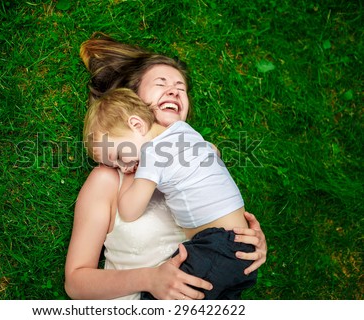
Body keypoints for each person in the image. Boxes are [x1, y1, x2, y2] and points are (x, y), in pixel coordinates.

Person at [64, 33, 267, 300]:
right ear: (132, 100)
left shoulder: (201, 159)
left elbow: (223, 214)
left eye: (180, 88)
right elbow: (76, 282)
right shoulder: (109, 178)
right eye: (161, 84)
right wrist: (150, 278)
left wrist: (248, 242)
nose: (174, 90)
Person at [83, 88, 257, 299]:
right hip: (238, 245)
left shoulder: (154, 154)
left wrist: (132, 183)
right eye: (115, 166)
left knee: (161, 298)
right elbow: (214, 152)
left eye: (119, 156)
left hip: (214, 246)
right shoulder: (184, 130)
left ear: (137, 125)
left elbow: (129, 211)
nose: (124, 168)